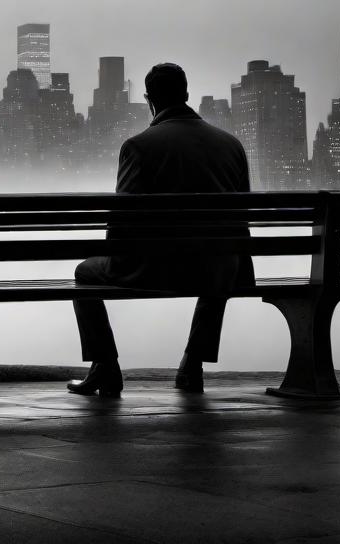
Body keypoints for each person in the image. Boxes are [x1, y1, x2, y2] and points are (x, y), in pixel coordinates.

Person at [67, 62, 254, 397]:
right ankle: (192, 365)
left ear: (149, 100)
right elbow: (240, 221)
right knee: (221, 258)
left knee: (84, 273)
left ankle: (105, 367)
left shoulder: (138, 146)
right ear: (185, 94)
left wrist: (118, 261)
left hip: (156, 270)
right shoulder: (231, 145)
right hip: (219, 271)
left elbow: (121, 223)